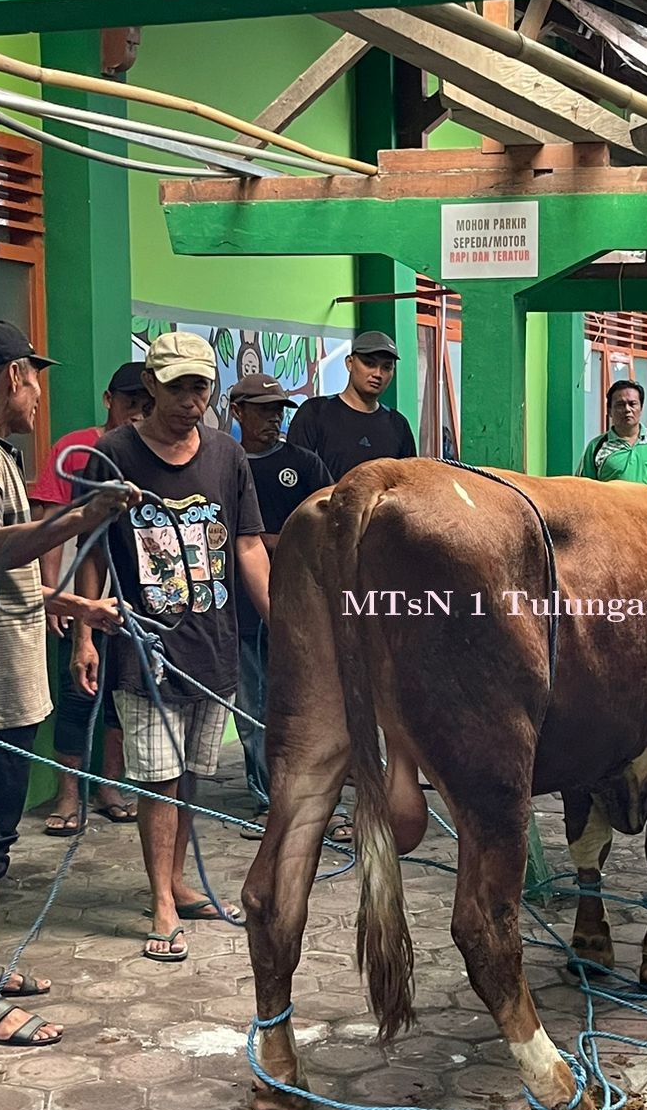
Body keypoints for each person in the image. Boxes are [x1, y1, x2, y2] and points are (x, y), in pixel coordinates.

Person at [0, 320, 134, 1046]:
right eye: (34, 377)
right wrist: (81, 514)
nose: (40, 392)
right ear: (14, 375)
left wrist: (76, 605)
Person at [72, 331, 273, 961]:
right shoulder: (112, 454)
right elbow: (91, 549)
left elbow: (247, 545)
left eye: (201, 388)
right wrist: (84, 634)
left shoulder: (226, 456)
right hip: (144, 648)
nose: (192, 401)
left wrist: (281, 627)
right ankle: (161, 900)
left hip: (213, 643)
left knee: (191, 777)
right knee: (156, 779)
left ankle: (182, 880)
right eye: (180, 387)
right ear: (151, 387)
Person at [29, 362, 153, 834]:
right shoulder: (76, 449)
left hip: (135, 601)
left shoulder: (155, 453)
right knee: (78, 692)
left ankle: (109, 785)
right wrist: (53, 597)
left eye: (145, 405)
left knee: (123, 696)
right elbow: (48, 525)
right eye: (129, 403)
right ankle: (67, 795)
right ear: (108, 400)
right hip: (82, 593)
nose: (136, 414)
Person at [227, 373, 334, 815]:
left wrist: (274, 542)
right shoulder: (225, 463)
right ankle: (270, 798)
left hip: (304, 604)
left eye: (277, 410)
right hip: (240, 606)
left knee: (305, 702)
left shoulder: (306, 465)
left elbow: (332, 527)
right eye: (262, 409)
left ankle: (311, 794)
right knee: (253, 705)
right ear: (237, 411)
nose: (273, 418)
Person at [286, 330, 416, 480]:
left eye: (386, 367)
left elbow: (408, 484)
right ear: (350, 363)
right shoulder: (315, 413)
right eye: (369, 363)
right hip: (326, 503)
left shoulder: (398, 425)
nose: (377, 374)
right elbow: (295, 474)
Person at [576, 379, 647, 491]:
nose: (627, 409)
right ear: (609, 410)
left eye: (632, 404)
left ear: (641, 408)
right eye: (620, 405)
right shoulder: (596, 447)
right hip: (612, 509)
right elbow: (584, 491)